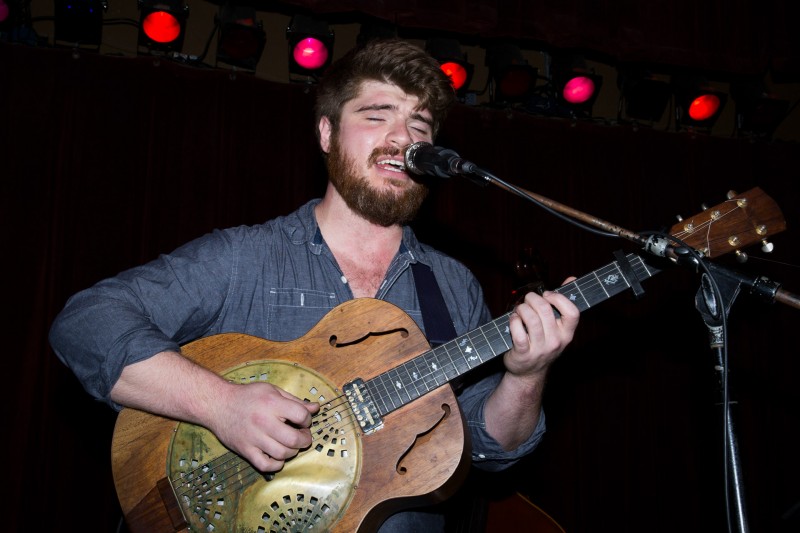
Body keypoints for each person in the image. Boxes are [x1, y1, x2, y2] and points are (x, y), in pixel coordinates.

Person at [49, 38, 580, 532]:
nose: (403, 138)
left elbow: (488, 446)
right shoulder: (246, 256)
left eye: (420, 127)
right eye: (377, 116)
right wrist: (220, 405)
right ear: (326, 133)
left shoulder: (452, 284)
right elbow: (86, 323)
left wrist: (527, 376)